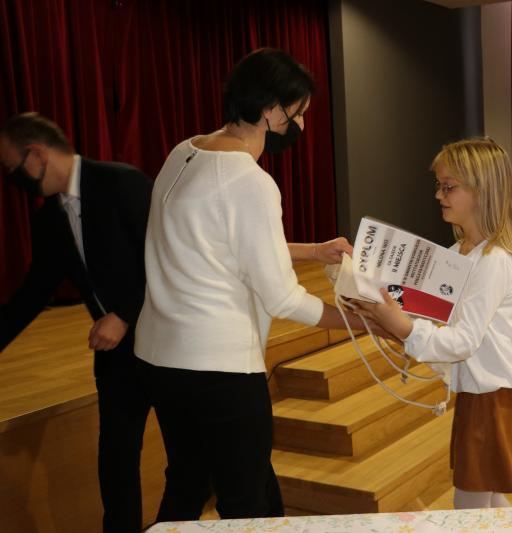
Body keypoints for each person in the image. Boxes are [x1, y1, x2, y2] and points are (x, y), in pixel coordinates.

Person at [133, 47, 376, 521]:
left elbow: (221, 246)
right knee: (247, 504)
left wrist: (313, 251)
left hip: (161, 359)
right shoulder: (250, 181)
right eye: (297, 113)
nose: (300, 125)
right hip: (218, 369)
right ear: (269, 110)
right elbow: (282, 297)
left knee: (187, 484)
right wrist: (359, 321)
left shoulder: (185, 151)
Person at [353, 138, 512, 509]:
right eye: (439, 185)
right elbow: (429, 316)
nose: (439, 195)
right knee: (488, 497)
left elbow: (463, 341)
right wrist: (376, 300)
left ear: (482, 191)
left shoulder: (494, 261)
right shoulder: (458, 254)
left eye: (449, 186)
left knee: (470, 505)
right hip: (482, 395)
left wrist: (403, 327)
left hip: (496, 399)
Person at [0, 112, 153, 532]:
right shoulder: (49, 217)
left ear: (36, 155)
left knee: (189, 453)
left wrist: (123, 315)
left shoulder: (122, 182)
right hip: (115, 357)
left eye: (12, 169)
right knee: (116, 464)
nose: (12, 180)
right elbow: (34, 291)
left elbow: (167, 257)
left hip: (166, 343)